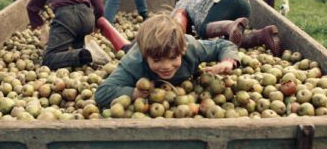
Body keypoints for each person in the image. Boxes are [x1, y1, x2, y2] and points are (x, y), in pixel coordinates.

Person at [94, 14, 239, 108]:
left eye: (173, 58)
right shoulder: (134, 63)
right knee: (125, 46)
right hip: (135, 47)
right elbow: (102, 93)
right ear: (146, 57)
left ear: (182, 51)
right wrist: (134, 93)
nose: (166, 66)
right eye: (157, 60)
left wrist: (227, 61)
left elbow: (223, 45)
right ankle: (104, 23)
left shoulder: (191, 48)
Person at [171, 0, 281, 56]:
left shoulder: (182, 2)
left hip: (223, 3)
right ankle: (262, 35)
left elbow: (177, 22)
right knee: (230, 41)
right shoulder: (201, 0)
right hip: (242, 2)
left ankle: (230, 26)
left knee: (203, 30)